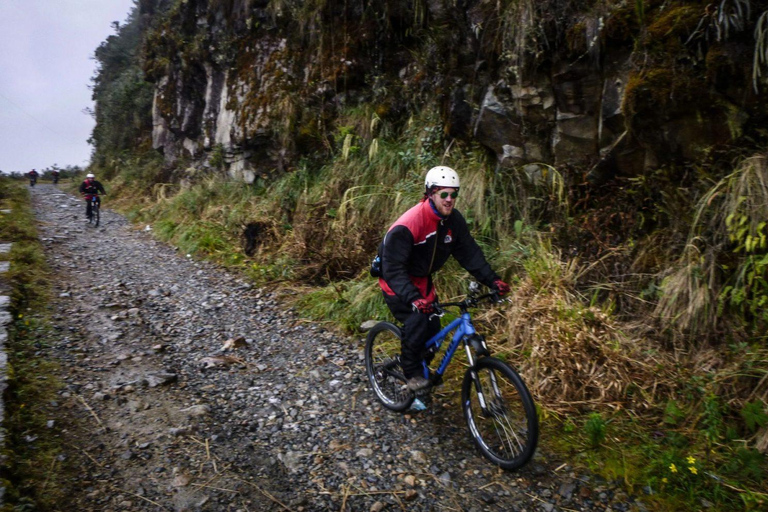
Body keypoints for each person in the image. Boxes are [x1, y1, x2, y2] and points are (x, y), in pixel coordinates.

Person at [377, 166, 510, 392]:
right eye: (444, 194)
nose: (450, 200)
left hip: (422, 281)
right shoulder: (410, 224)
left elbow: (469, 253)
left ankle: (420, 363)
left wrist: (493, 280)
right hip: (396, 281)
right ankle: (412, 373)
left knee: (433, 327)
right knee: (417, 322)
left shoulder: (453, 221)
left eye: (454, 194)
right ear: (430, 193)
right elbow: (393, 267)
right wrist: (412, 298)